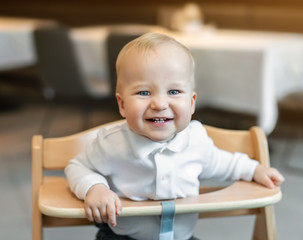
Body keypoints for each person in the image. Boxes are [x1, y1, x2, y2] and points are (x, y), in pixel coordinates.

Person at [65, 32, 284, 240]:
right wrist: (95, 188)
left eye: (173, 92)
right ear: (122, 104)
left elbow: (222, 163)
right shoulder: (112, 143)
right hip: (123, 235)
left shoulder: (196, 141)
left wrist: (255, 170)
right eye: (143, 92)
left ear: (191, 103)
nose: (159, 104)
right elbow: (78, 167)